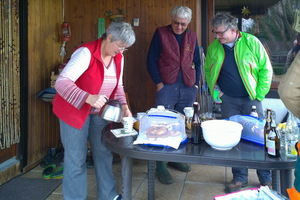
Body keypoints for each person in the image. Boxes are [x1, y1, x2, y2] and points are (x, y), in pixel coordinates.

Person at [52, 22, 136, 200]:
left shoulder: (118, 57)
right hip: (74, 112)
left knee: (103, 153)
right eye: (120, 46)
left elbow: (118, 86)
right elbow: (61, 82)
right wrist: (87, 97)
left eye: (125, 49)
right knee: (76, 159)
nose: (121, 52)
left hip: (99, 112)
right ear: (110, 37)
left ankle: (108, 195)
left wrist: (124, 106)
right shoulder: (86, 53)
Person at [204, 13, 273, 193]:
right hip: (228, 101)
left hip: (251, 99)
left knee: (258, 140)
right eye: (215, 32)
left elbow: (266, 70)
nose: (216, 36)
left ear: (233, 30)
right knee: (234, 140)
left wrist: (259, 96)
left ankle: (266, 179)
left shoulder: (252, 42)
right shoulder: (214, 47)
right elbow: (208, 71)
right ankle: (239, 178)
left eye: (220, 33)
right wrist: (216, 91)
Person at [146, 6, 201, 185]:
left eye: (183, 24)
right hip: (167, 86)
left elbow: (197, 61)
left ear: (188, 23)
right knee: (163, 123)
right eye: (176, 23)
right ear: (171, 20)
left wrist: (196, 83)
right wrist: (158, 83)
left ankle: (175, 157)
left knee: (181, 123)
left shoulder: (192, 36)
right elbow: (151, 59)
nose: (179, 27)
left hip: (187, 86)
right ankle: (160, 165)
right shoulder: (160, 33)